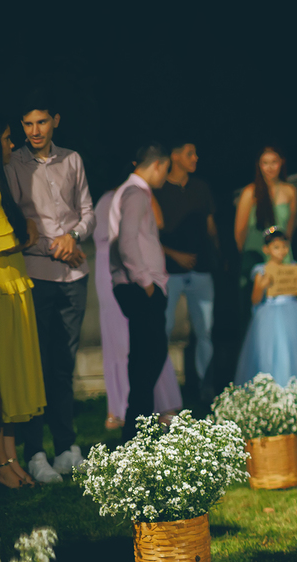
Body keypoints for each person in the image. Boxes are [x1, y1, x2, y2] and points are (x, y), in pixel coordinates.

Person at [4, 94, 94, 483]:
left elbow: (87, 212)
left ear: (55, 120)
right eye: (27, 124)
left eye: (41, 122)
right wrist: (58, 246)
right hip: (37, 274)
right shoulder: (13, 164)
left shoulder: (72, 159)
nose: (34, 131)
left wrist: (74, 237)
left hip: (74, 276)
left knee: (63, 365)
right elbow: (16, 222)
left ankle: (66, 448)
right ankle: (35, 453)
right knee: (35, 366)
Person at [94, 187, 181, 430]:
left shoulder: (128, 196)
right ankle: (122, 408)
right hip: (122, 270)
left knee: (143, 341)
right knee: (126, 341)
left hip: (120, 269)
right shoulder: (128, 197)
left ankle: (149, 406)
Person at [0, 114, 44, 489]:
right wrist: (30, 233)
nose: (12, 144)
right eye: (7, 138)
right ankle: (1, 463)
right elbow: (4, 242)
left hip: (10, 288)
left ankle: (11, 459)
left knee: (8, 379)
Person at [108, 144, 171, 443]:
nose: (165, 176)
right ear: (157, 165)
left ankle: (138, 430)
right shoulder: (135, 193)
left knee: (147, 357)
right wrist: (146, 282)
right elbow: (127, 241)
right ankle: (137, 431)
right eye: (166, 169)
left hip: (138, 285)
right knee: (149, 357)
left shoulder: (132, 192)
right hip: (139, 286)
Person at [153, 140, 219, 400]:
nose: (195, 158)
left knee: (205, 330)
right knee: (164, 328)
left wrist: (216, 255)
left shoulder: (201, 187)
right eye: (190, 153)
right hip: (169, 272)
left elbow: (211, 226)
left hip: (201, 270)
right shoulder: (158, 189)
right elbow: (149, 234)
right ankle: (163, 389)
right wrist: (174, 255)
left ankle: (206, 386)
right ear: (175, 156)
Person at [234, 227, 297, 394]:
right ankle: (277, 387)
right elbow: (255, 299)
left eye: (284, 246)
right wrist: (262, 286)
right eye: (276, 247)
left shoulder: (293, 267)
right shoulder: (262, 270)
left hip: (294, 312)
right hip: (272, 314)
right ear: (266, 249)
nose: (281, 251)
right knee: (277, 349)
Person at [234, 146, 296, 276]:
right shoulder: (250, 192)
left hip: (281, 255)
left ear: (281, 162)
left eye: (274, 162)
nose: (270, 167)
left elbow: (289, 229)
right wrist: (247, 256)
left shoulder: (290, 191)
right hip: (256, 254)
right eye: (265, 163)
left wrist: (282, 250)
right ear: (259, 165)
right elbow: (240, 232)